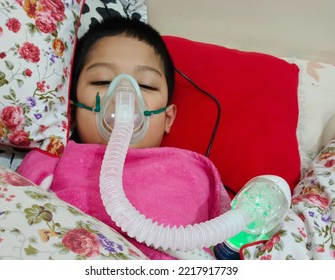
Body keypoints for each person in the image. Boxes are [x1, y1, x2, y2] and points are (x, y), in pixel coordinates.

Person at [17, 16, 231, 260]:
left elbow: (233, 240)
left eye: (147, 85)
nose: (124, 95)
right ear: (73, 111)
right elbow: (13, 215)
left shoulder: (195, 168)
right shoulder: (52, 160)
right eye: (102, 81)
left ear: (168, 118)